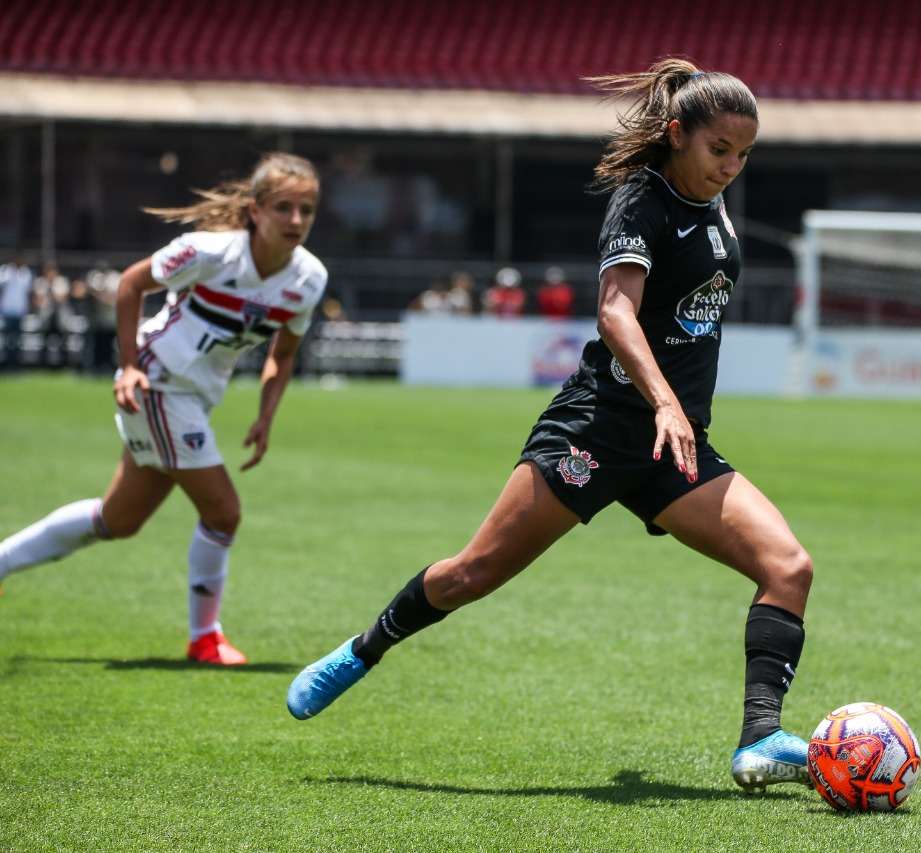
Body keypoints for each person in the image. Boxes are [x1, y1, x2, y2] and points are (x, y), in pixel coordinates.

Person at [286, 59, 814, 794]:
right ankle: (361, 650)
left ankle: (760, 737)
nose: (730, 166)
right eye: (718, 150)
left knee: (788, 567)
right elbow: (615, 312)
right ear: (676, 135)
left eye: (743, 154)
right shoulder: (642, 200)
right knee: (473, 572)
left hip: (671, 446)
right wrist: (662, 396)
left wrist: (673, 413)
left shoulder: (718, 211)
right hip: (595, 429)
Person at [0, 152, 328, 665]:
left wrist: (267, 415)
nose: (295, 221)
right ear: (254, 211)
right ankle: (205, 638)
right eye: (283, 208)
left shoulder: (309, 279)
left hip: (193, 397)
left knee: (117, 519)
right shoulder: (210, 252)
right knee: (223, 511)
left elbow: (282, 355)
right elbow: (131, 284)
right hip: (157, 383)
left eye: (306, 210)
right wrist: (129, 366)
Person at [0, 252, 34, 368]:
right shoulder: (6, 270)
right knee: (7, 338)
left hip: (19, 310)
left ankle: (16, 363)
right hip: (7, 310)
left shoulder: (25, 273)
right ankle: (6, 363)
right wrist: (12, 272)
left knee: (17, 339)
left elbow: (28, 288)